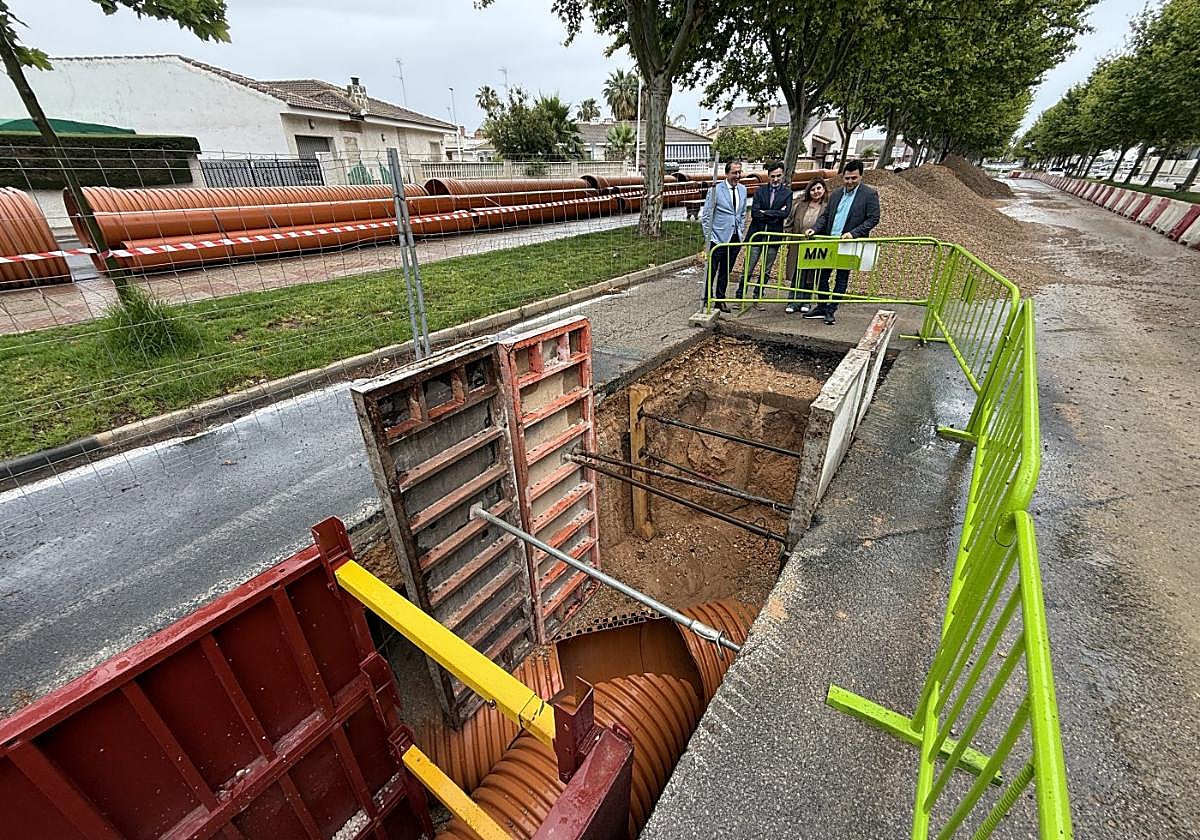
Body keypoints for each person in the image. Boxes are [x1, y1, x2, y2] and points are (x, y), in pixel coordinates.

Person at [804, 159, 880, 325]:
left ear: (861, 176)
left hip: (848, 244)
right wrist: (815, 229)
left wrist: (854, 233)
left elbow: (873, 218)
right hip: (830, 241)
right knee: (822, 277)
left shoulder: (869, 194)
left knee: (841, 278)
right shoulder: (836, 194)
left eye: (854, 178)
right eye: (847, 178)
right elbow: (826, 216)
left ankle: (831, 309)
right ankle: (822, 306)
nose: (850, 181)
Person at [739, 162, 793, 308]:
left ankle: (757, 297)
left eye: (778, 176)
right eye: (773, 176)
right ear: (768, 176)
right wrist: (774, 214)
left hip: (774, 236)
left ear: (783, 176)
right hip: (757, 234)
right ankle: (740, 296)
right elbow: (755, 213)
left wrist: (766, 212)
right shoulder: (760, 191)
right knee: (749, 266)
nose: (775, 179)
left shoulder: (787, 193)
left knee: (766, 269)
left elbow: (785, 213)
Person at [700, 160, 749, 312]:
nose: (737, 176)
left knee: (726, 271)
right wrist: (709, 238)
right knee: (712, 270)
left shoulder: (742, 190)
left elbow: (742, 213)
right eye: (734, 173)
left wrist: (740, 228)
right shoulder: (716, 190)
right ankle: (707, 298)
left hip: (734, 238)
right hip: (717, 238)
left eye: (739, 172)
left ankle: (720, 299)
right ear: (727, 173)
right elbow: (706, 216)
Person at [782, 176, 828, 314]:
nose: (816, 191)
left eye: (818, 188)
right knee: (797, 272)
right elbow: (790, 223)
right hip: (798, 244)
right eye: (813, 189)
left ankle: (806, 301)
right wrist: (788, 239)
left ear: (824, 189)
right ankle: (793, 301)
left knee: (810, 274)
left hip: (815, 246)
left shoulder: (827, 207)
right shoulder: (800, 206)